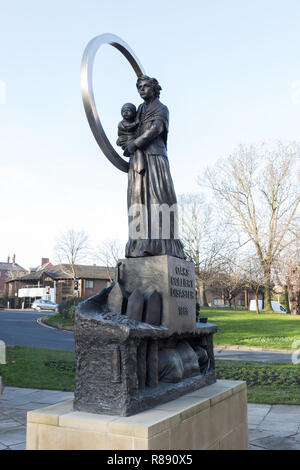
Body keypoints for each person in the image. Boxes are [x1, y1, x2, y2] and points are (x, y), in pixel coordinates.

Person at [123, 75, 185, 259]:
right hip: (139, 160)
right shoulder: (139, 110)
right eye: (139, 87)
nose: (141, 90)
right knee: (137, 199)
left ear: (154, 88)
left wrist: (136, 143)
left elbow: (156, 128)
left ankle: (164, 243)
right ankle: (139, 243)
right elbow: (127, 128)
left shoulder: (162, 109)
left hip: (155, 157)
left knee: (159, 198)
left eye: (145, 86)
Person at [116, 103, 145, 175]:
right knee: (137, 149)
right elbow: (130, 127)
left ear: (134, 113)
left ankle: (139, 166)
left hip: (131, 140)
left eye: (129, 110)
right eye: (123, 111)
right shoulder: (121, 123)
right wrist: (137, 121)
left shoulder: (132, 122)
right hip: (126, 142)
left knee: (138, 150)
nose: (125, 112)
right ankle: (140, 168)